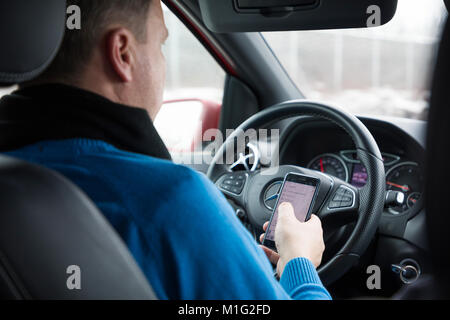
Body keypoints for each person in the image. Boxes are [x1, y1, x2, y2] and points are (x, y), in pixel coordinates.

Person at [0, 0, 331, 300]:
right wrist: (298, 262)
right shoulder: (168, 202)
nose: (162, 64)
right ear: (123, 54)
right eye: (159, 44)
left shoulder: (14, 174)